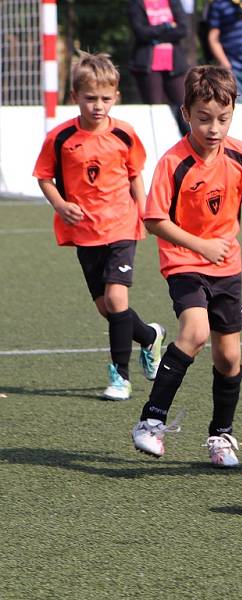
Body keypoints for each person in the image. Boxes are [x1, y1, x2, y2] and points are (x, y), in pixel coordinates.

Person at [131, 65, 242, 467]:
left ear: (233, 111)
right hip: (184, 261)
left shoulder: (241, 153)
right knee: (195, 332)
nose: (214, 128)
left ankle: (221, 436)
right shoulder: (172, 163)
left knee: (229, 358)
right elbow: (154, 220)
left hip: (227, 267)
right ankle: (151, 421)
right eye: (204, 119)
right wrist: (200, 245)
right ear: (186, 113)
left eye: (223, 118)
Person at [32, 51, 166, 401]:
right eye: (90, 98)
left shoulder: (124, 135)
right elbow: (44, 178)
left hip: (121, 226)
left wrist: (145, 212)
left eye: (106, 99)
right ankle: (150, 337)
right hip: (85, 232)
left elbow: (136, 175)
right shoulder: (60, 139)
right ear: (74, 97)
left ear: (116, 97)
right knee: (107, 308)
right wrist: (61, 205)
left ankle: (119, 376)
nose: (98, 106)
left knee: (116, 296)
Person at [128, 0, 191, 136]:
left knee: (184, 109)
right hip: (147, 67)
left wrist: (155, 33)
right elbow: (141, 32)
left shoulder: (173, 2)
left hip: (175, 65)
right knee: (154, 111)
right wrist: (167, 26)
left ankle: (191, 145)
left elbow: (182, 29)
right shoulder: (136, 3)